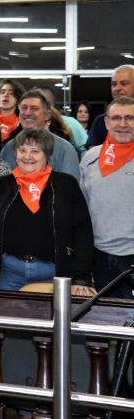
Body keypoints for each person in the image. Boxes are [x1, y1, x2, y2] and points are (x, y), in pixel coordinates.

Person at [0, 128, 95, 293]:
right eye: (22, 150)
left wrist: (81, 278)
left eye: (35, 151)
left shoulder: (66, 184)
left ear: (47, 155)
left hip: (55, 274)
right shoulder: (1, 185)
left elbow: (82, 232)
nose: (27, 156)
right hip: (8, 274)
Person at [80, 97, 134, 298]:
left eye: (130, 118)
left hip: (131, 256)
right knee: (103, 320)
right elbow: (82, 210)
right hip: (98, 257)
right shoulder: (90, 158)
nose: (122, 124)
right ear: (106, 122)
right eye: (117, 118)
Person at [0, 90, 80, 180]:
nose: (27, 113)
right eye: (24, 108)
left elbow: (71, 189)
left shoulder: (64, 149)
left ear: (47, 115)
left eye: (34, 108)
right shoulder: (8, 148)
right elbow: (1, 188)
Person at [88, 65, 134, 149]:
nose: (117, 88)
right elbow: (93, 156)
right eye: (114, 84)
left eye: (124, 83)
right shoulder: (101, 121)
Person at [0, 79, 25, 144]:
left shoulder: (24, 124)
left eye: (11, 93)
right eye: (2, 92)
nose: (6, 95)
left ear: (18, 99)